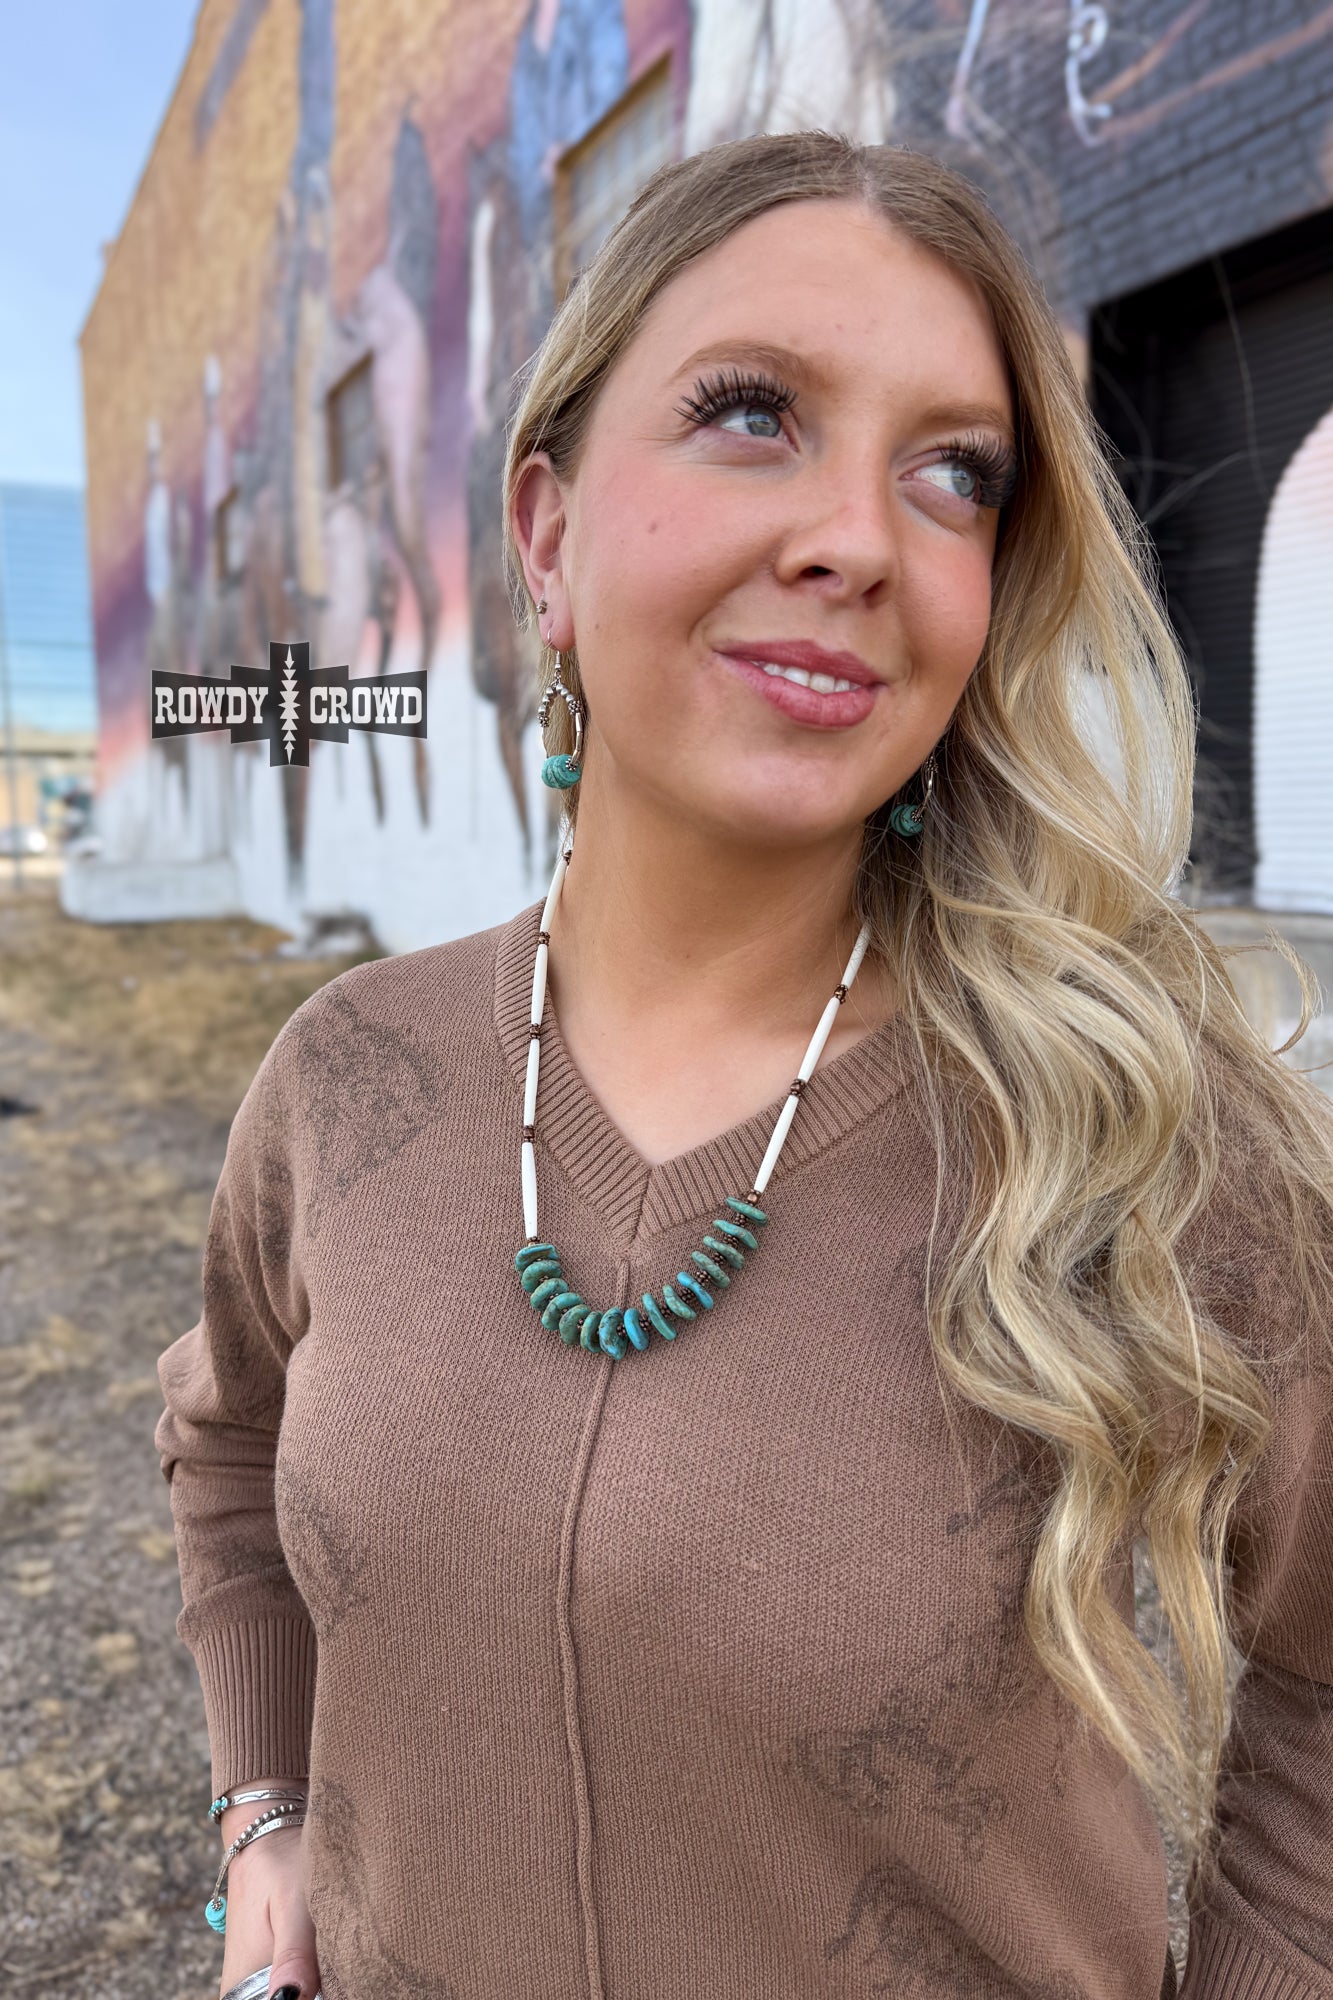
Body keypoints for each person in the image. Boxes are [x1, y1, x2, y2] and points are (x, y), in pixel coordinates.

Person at [156, 132, 1333, 2000]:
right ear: (546, 535)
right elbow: (226, 1442)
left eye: (953, 475)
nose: (859, 538)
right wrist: (266, 1816)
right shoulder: (348, 1075)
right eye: (750, 414)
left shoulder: (1132, 1125)